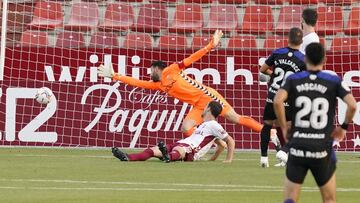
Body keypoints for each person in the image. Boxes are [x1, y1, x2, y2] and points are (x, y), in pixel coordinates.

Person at [98, 30, 277, 142]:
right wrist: (115, 76)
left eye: (151, 70)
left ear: (158, 69)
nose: (149, 73)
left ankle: (269, 133)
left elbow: (191, 58)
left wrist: (210, 46)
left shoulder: (171, 70)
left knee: (235, 118)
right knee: (186, 128)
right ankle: (205, 145)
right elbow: (136, 82)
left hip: (208, 97)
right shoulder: (159, 85)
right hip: (198, 106)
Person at [274, 43, 357, 203]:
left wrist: (284, 127)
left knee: (290, 199)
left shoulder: (294, 79)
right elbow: (352, 104)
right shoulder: (332, 80)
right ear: (324, 59)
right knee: (329, 198)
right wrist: (343, 127)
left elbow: (278, 101)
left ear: (305, 59)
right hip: (321, 149)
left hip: (298, 147)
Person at [112, 101, 235, 163]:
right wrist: (212, 159)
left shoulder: (214, 125)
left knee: (179, 151)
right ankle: (127, 157)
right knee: (152, 150)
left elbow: (229, 141)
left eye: (205, 107)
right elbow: (221, 145)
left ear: (209, 109)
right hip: (180, 143)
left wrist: (228, 160)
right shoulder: (205, 126)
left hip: (190, 149)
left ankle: (168, 156)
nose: (203, 109)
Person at [259, 27, 306, 167]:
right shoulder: (302, 59)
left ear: (288, 39)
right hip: (288, 96)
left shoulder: (278, 52)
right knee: (293, 126)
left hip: (272, 94)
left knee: (267, 124)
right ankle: (285, 153)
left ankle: (263, 158)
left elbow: (263, 69)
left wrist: (273, 75)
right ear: (301, 41)